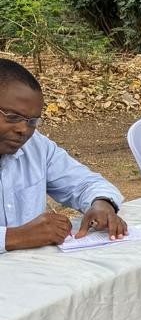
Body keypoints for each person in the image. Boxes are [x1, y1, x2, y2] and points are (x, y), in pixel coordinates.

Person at [0, 58, 126, 251]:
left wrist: (102, 202)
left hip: (35, 271)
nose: (23, 130)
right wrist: (15, 236)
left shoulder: (36, 147)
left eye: (32, 121)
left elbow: (86, 183)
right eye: (13, 117)